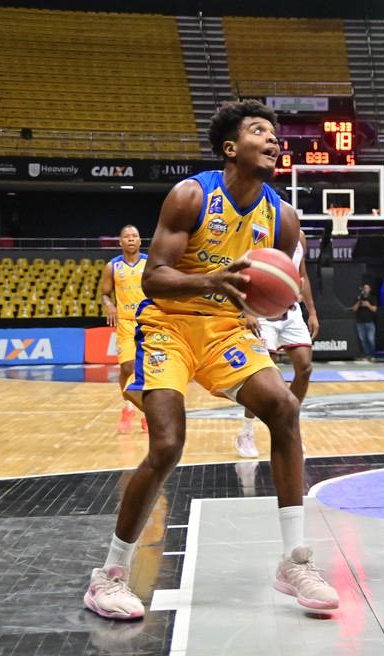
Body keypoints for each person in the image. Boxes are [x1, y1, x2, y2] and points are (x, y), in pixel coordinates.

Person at [83, 100, 338, 621]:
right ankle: (108, 576)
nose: (274, 140)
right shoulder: (191, 195)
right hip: (168, 327)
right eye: (260, 131)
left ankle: (294, 562)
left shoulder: (281, 216)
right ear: (230, 148)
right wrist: (210, 280)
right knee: (168, 445)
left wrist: (265, 306)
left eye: (276, 134)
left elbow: (280, 288)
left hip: (225, 330)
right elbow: (153, 277)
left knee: (285, 410)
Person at [234, 230, 319, 458]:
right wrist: (247, 311)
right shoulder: (257, 231)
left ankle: (289, 424)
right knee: (262, 377)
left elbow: (303, 275)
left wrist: (311, 311)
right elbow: (241, 274)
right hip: (262, 310)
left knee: (305, 367)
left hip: (291, 311)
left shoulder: (299, 236)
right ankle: (246, 432)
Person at [100, 225, 148, 433]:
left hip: (149, 321)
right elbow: (104, 293)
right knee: (127, 368)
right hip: (126, 323)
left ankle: (147, 412)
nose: (130, 239)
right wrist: (109, 305)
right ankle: (128, 406)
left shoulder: (150, 263)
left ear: (139, 241)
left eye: (134, 236)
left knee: (149, 370)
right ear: (120, 242)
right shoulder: (112, 266)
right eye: (126, 237)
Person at [352, 281, 377, 360]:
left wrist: (368, 305)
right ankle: (366, 354)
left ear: (369, 289)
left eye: (367, 288)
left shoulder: (372, 298)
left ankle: (372, 355)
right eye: (364, 288)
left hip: (370, 322)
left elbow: (374, 309)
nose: (366, 289)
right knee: (363, 340)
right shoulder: (359, 298)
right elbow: (354, 309)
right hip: (360, 322)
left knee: (371, 339)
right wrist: (359, 303)